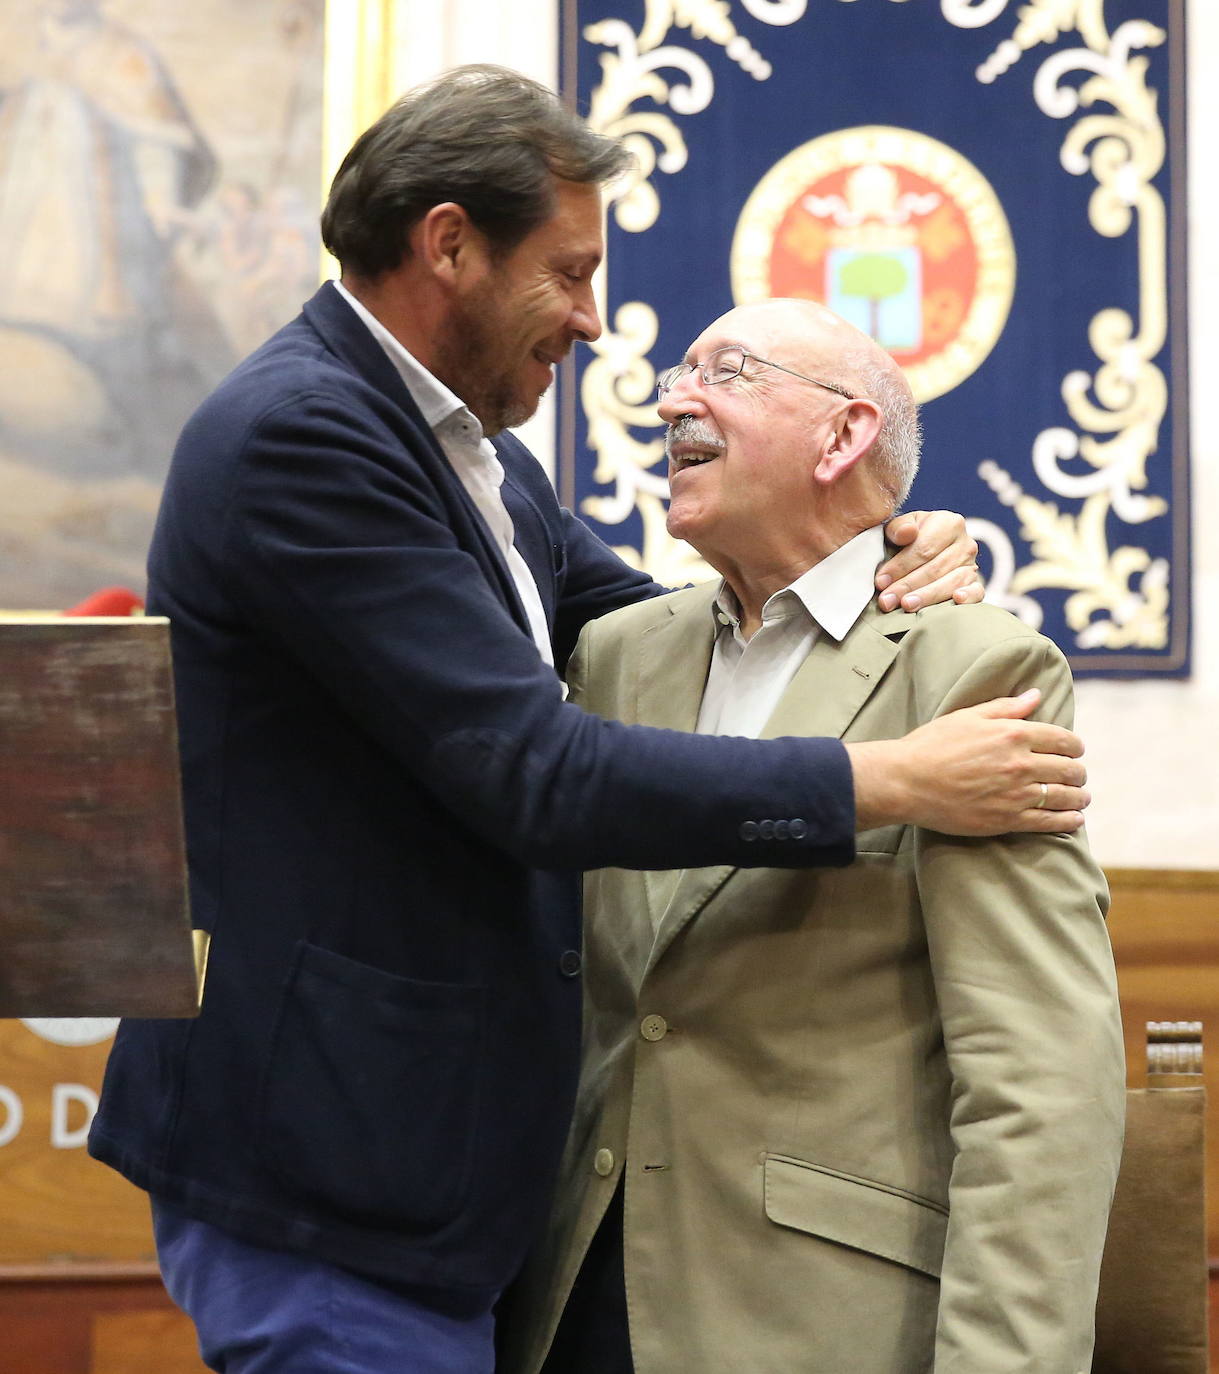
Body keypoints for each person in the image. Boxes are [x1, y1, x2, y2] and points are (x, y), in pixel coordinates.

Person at [87, 67, 1092, 1374]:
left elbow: (651, 615)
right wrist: (886, 780)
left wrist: (880, 535)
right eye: (567, 274)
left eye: (721, 370)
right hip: (325, 1168)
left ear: (840, 434)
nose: (599, 325)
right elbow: (533, 768)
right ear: (448, 244)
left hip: (462, 1208)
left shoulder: (481, 459)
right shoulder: (301, 435)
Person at [503, 299, 1125, 1374]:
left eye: (727, 372)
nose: (672, 400)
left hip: (821, 1316)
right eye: (675, 375)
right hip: (574, 1296)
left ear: (843, 437)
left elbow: (1037, 1078)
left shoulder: (968, 667)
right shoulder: (613, 653)